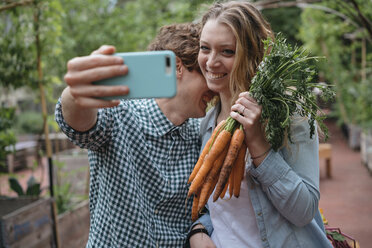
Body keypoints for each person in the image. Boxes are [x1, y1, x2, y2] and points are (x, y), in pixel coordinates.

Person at [55, 23, 216, 247]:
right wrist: (76, 92)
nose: (213, 86)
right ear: (178, 67)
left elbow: (209, 207)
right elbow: (77, 125)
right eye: (204, 73)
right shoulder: (120, 115)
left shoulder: (204, 133)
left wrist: (200, 230)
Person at [187, 2, 333, 248]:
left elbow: (304, 211)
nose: (211, 62)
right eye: (205, 48)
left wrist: (258, 144)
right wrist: (200, 230)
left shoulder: (289, 116)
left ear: (252, 53)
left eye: (227, 52)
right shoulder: (206, 123)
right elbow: (219, 207)